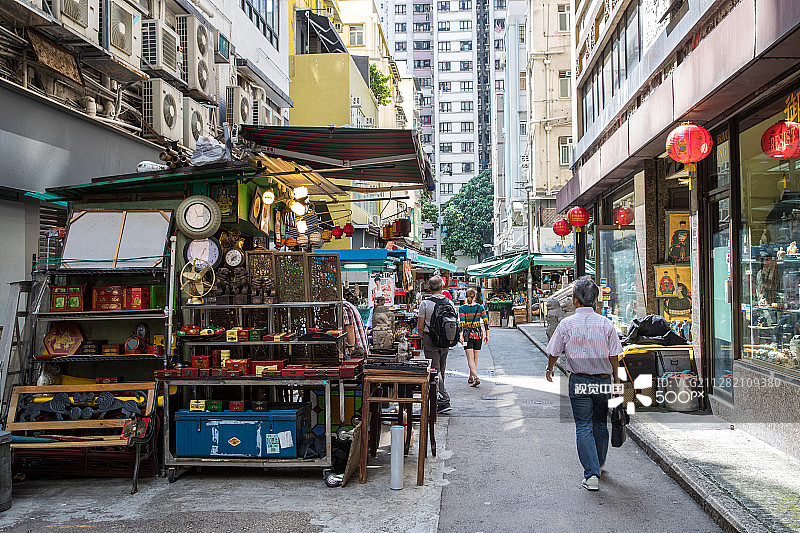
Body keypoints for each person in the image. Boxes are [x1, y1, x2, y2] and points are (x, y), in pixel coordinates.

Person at [545, 277, 622, 491]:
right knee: (599, 422)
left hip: (579, 380)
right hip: (603, 380)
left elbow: (553, 351)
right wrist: (616, 381)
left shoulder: (567, 324)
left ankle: (591, 474)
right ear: (594, 300)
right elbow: (615, 356)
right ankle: (598, 462)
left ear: (575, 300)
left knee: (584, 425)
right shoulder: (606, 323)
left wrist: (550, 368)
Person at [417, 276, 457, 413]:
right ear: (442, 287)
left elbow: (420, 327)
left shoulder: (425, 304)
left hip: (431, 339)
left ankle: (444, 400)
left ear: (429, 288)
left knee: (434, 370)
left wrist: (424, 338)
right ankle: (437, 399)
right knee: (441, 370)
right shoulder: (450, 303)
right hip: (446, 341)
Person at [459, 289, 489, 386]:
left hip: (467, 336)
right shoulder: (480, 308)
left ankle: (476, 377)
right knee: (475, 357)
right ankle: (471, 376)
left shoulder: (462, 308)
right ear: (475, 296)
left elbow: (462, 323)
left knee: (470, 358)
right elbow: (486, 322)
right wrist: (487, 335)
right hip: (478, 334)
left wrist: (461, 335)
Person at [343, 288, 369, 357]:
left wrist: (352, 352)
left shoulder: (344, 307)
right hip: (359, 350)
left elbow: (349, 328)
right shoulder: (347, 305)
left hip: (357, 351)